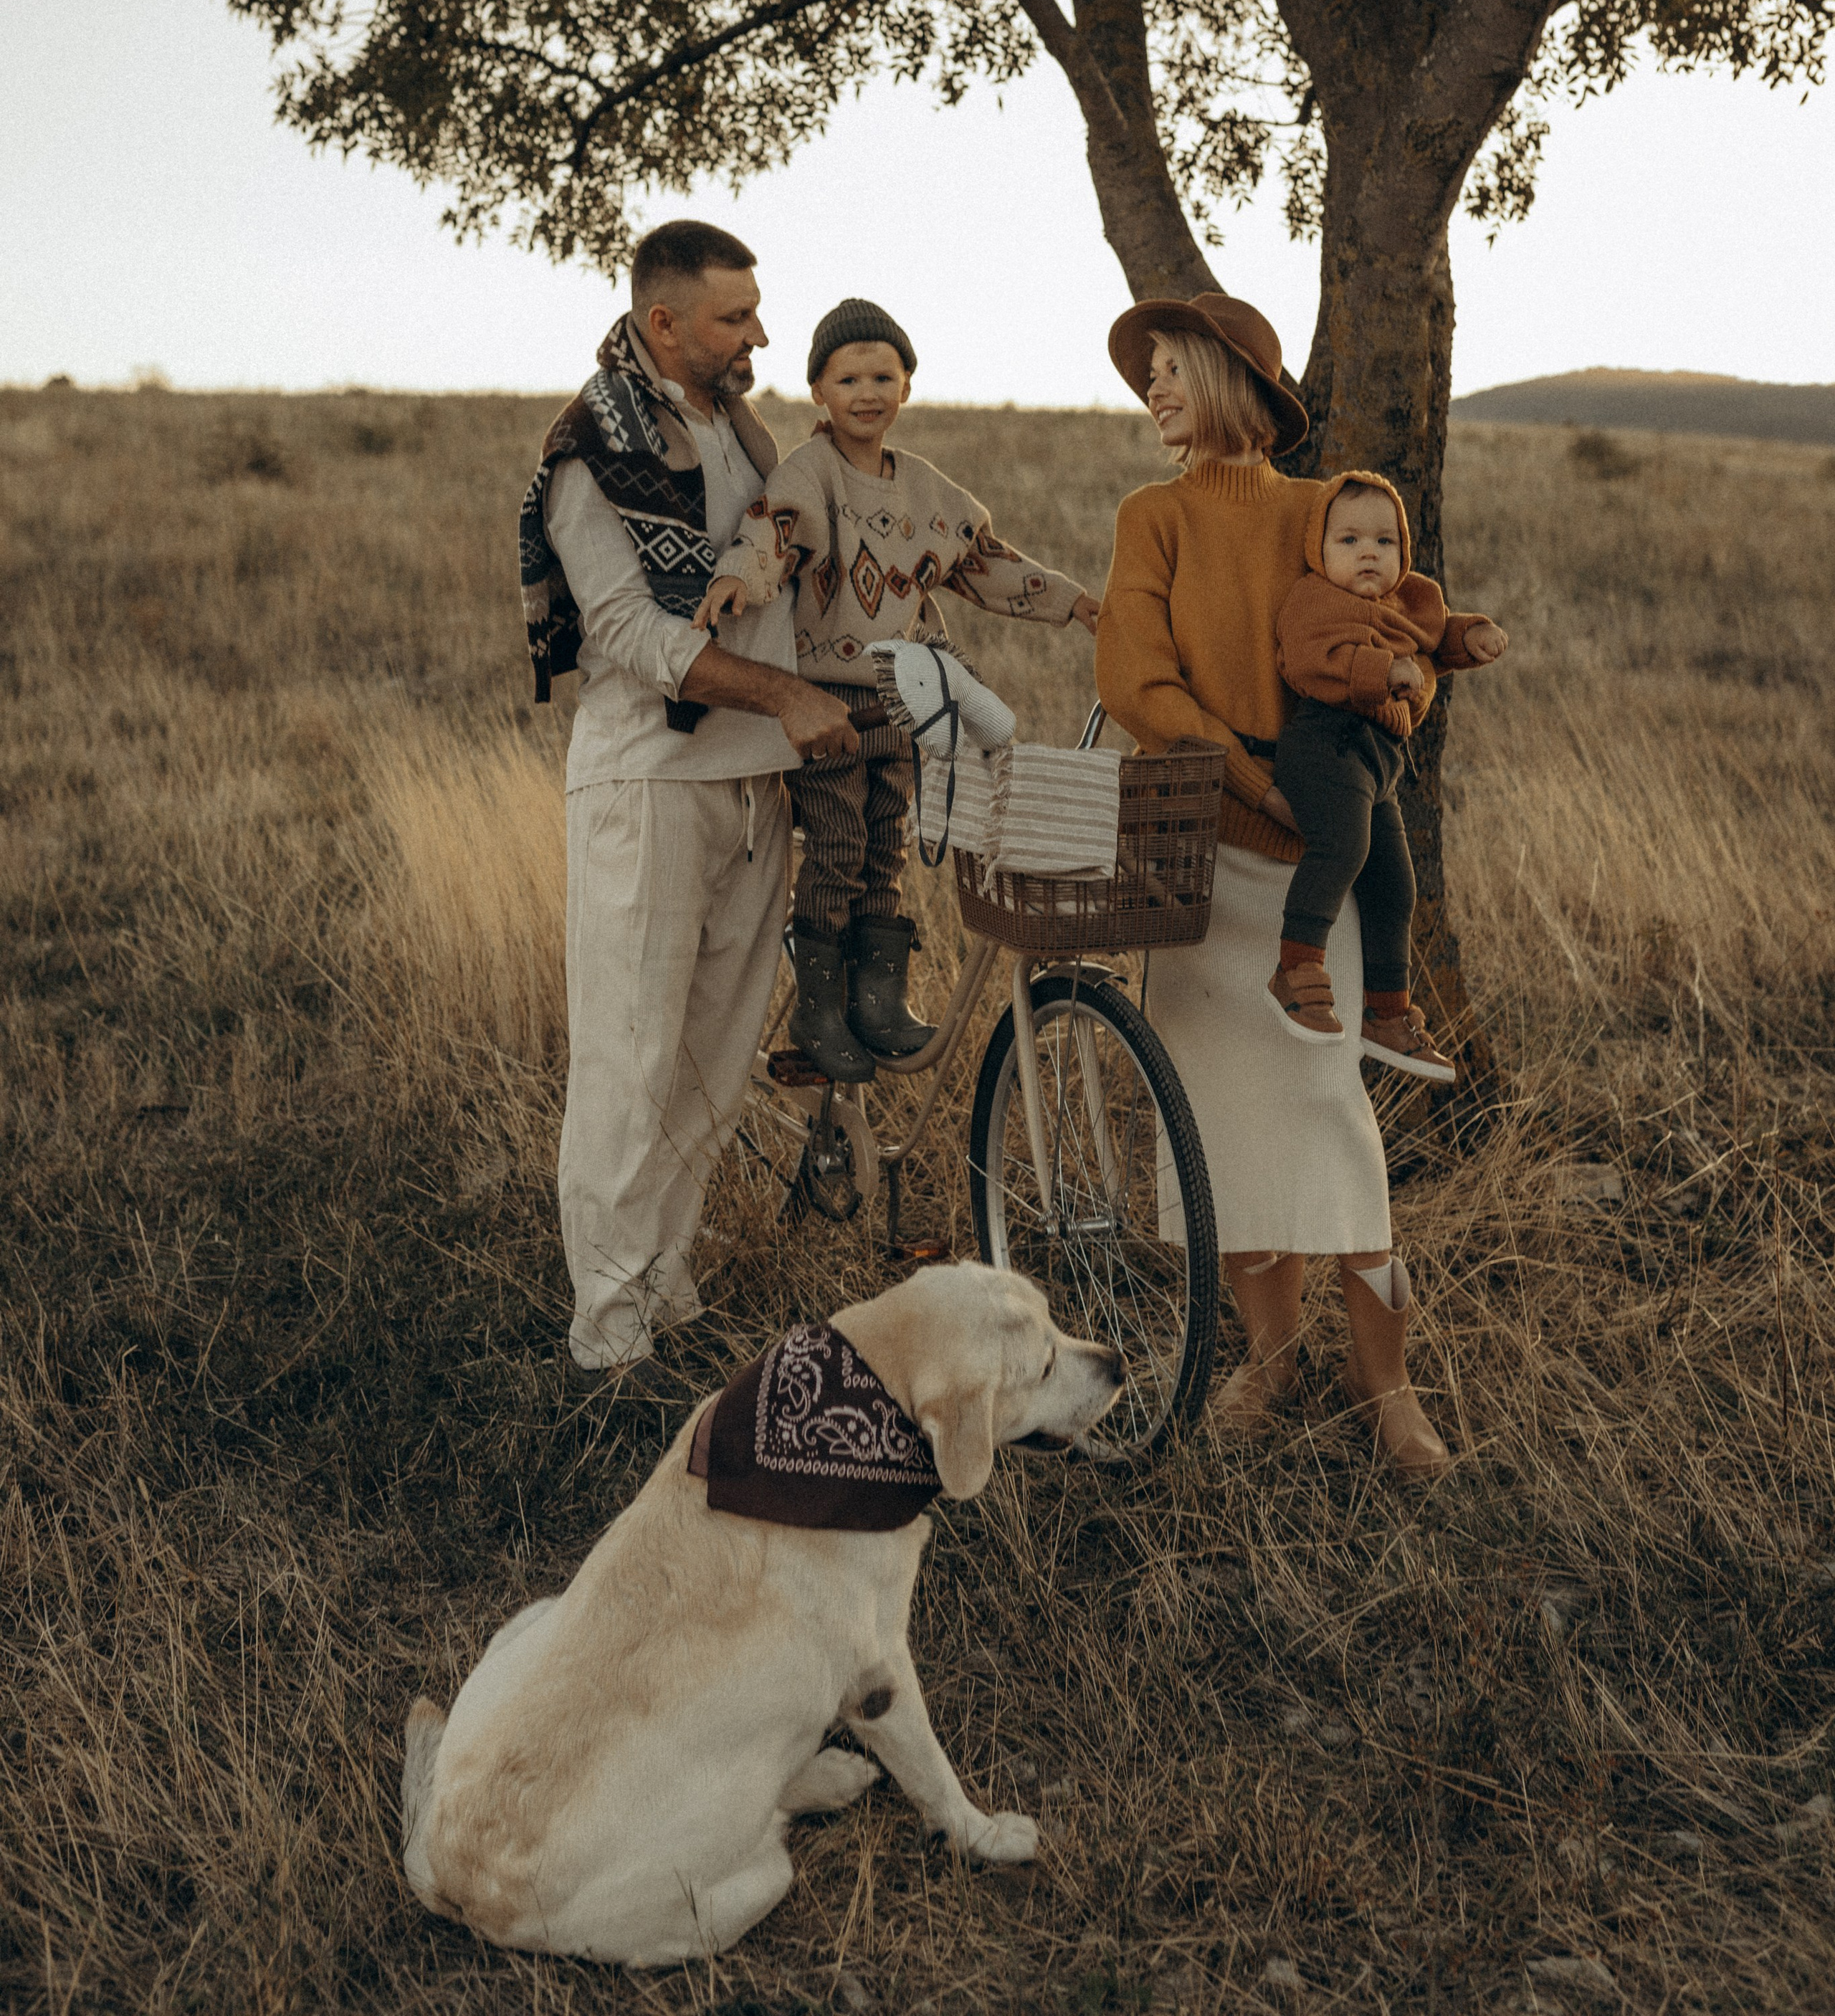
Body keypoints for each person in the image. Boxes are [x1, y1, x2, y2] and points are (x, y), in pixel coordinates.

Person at [1092, 290, 1452, 1477]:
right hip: (1200, 852)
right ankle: (1272, 1357)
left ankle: (1385, 1384)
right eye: (1146, 377)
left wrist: (1400, 706)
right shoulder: (1155, 517)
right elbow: (1139, 680)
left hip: (1321, 869)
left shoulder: (1322, 510)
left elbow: (1405, 640)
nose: (1154, 391)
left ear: (1231, 379)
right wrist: (1254, 777)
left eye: (1170, 370)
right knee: (1226, 1131)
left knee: (1327, 1118)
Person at [517, 221, 861, 1382]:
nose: (760, 332)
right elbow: (625, 632)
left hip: (755, 783)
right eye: (733, 316)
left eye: (758, 309)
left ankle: (666, 1292)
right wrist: (783, 696)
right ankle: (607, 1347)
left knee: (712, 1065)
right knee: (630, 1061)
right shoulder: (589, 449)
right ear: (666, 323)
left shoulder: (746, 434)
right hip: (649, 786)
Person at [695, 297, 1099, 1081]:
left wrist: (1073, 602)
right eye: (848, 377)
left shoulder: (925, 491)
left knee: (885, 845)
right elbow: (769, 533)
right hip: (826, 705)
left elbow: (984, 563)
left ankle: (878, 1004)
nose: (867, 391)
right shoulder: (810, 475)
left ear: (907, 386)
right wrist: (736, 580)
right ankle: (819, 1011)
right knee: (837, 846)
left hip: (901, 700)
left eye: (884, 374)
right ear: (819, 391)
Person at [1269, 472, 1509, 1074]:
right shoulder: (1314, 601)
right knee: (1342, 846)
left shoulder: (1409, 601)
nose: (1368, 553)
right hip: (1324, 743)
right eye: (1348, 541)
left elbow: (1432, 637)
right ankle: (1296, 969)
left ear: (1403, 550)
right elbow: (1308, 660)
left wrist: (1469, 637)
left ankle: (1388, 1013)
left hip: (1378, 762)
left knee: (1396, 884)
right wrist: (1379, 673)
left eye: (1384, 541)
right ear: (1319, 552)